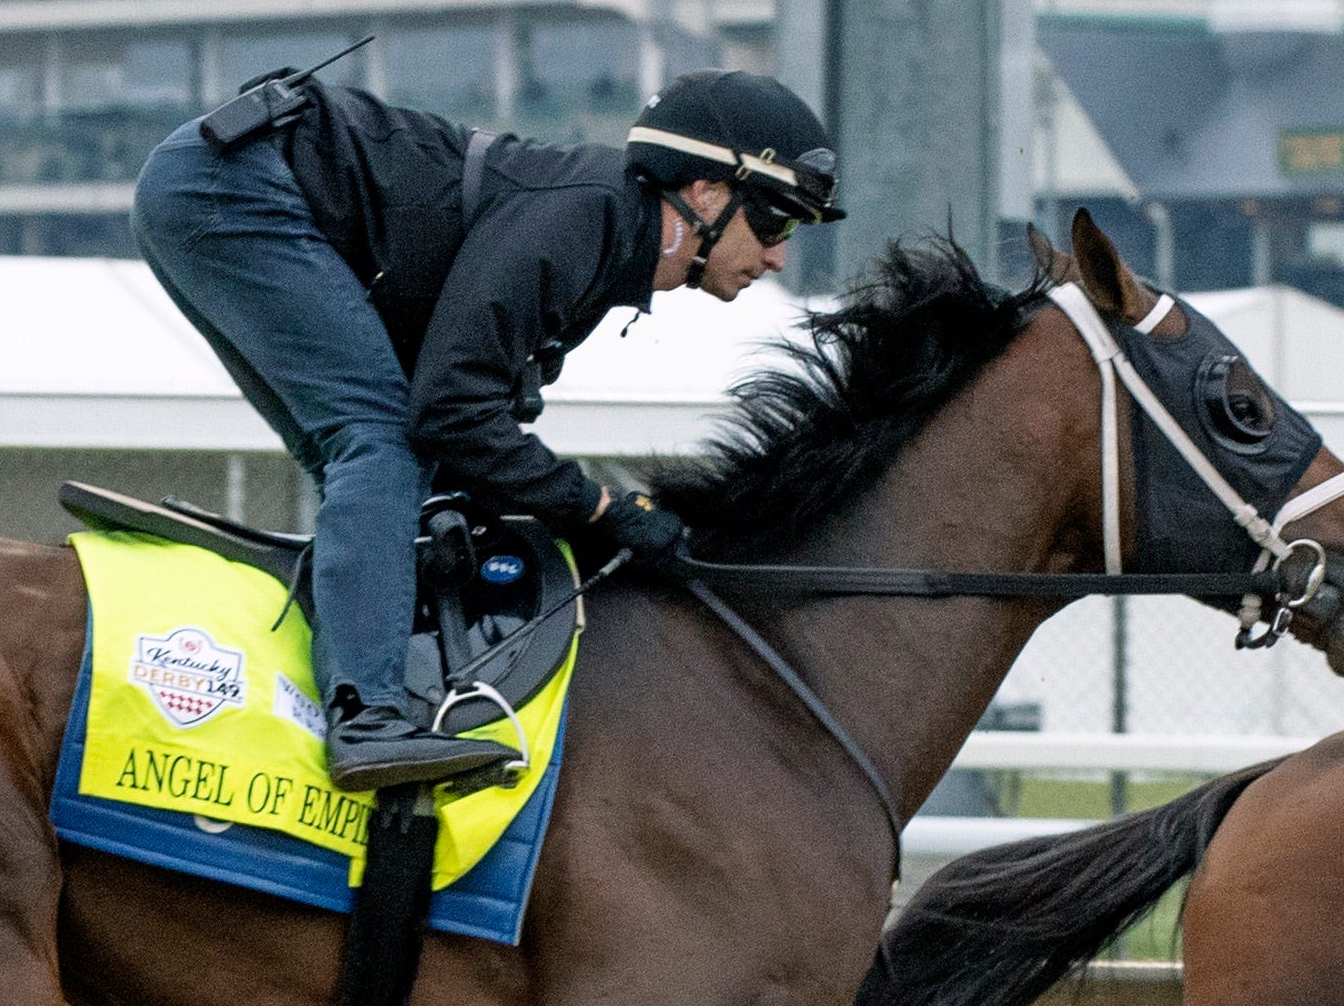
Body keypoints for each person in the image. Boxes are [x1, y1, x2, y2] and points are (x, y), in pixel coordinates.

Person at [134, 64, 838, 788]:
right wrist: (600, 507)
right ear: (706, 191)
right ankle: (368, 716)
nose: (779, 253)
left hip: (220, 180)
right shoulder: (583, 218)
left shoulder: (608, 240)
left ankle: (367, 676)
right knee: (376, 440)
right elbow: (450, 413)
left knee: (371, 451)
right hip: (232, 184)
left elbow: (473, 426)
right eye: (773, 220)